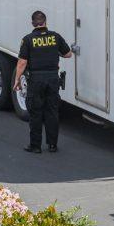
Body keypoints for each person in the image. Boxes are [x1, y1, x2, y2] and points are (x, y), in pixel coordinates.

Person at [14, 10, 74, 153]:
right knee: (52, 111)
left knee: (35, 113)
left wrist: (17, 79)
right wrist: (55, 52)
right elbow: (68, 54)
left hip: (36, 80)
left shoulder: (28, 39)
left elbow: (22, 62)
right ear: (46, 22)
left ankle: (35, 146)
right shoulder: (55, 37)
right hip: (53, 79)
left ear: (33, 23)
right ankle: (52, 145)